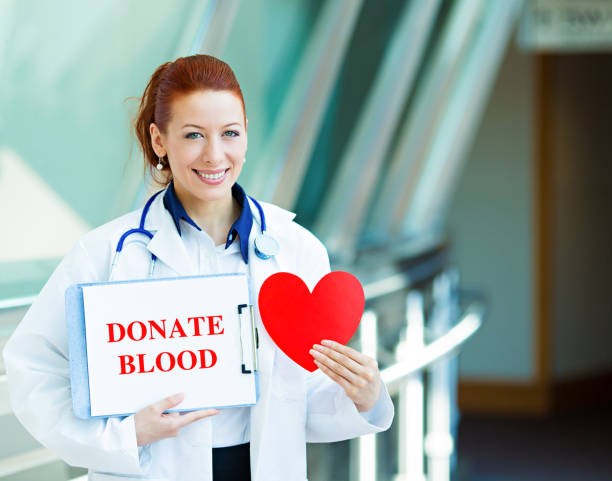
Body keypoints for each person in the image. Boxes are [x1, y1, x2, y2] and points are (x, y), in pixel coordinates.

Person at [3, 54, 393, 481]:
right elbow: (32, 369)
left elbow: (301, 391)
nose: (214, 155)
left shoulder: (296, 249)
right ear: (159, 141)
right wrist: (124, 435)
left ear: (246, 137)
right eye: (193, 135)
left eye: (230, 133)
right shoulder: (107, 254)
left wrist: (365, 396)